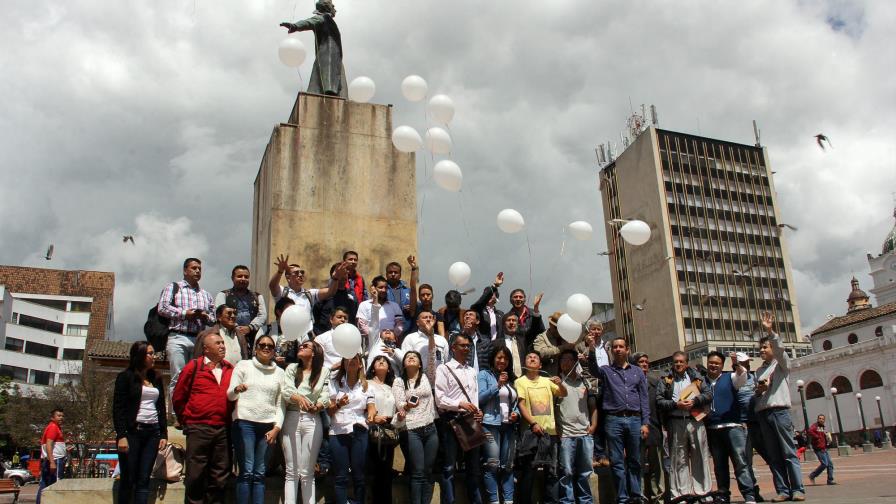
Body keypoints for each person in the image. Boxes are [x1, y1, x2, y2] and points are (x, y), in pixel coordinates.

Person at [734, 312, 805, 502]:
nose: (762, 350)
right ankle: (782, 490)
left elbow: (780, 349)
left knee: (788, 452)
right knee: (773, 455)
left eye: (765, 347)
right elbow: (757, 395)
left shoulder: (781, 364)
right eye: (760, 348)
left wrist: (769, 331)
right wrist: (759, 391)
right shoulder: (759, 370)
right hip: (763, 414)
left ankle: (798, 489)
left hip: (779, 411)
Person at [172, 333, 234, 504]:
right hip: (198, 428)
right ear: (206, 349)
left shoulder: (230, 369)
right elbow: (178, 396)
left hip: (222, 428)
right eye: (218, 343)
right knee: (195, 474)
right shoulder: (194, 367)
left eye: (223, 343)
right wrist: (187, 419)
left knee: (220, 474)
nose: (222, 346)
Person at [587, 337, 650, 504]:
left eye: (621, 346)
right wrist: (592, 349)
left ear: (627, 349)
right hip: (613, 420)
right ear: (612, 351)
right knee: (617, 462)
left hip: (635, 419)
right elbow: (593, 369)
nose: (618, 349)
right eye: (615, 347)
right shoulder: (606, 370)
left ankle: (636, 496)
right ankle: (622, 498)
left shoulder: (637, 371)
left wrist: (645, 422)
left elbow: (644, 398)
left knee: (635, 460)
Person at [227, 335, 285, 504]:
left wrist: (277, 428)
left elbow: (280, 404)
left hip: (268, 426)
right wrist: (237, 389)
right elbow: (230, 395)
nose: (266, 348)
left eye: (270, 346)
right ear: (256, 348)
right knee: (246, 472)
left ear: (274, 351)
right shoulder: (243, 365)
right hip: (245, 424)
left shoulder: (279, 373)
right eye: (262, 345)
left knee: (259, 473)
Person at [113, 341, 168, 504]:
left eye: (154, 353)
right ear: (139, 356)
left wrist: (163, 433)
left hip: (152, 433)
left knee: (144, 479)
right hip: (132, 433)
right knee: (128, 479)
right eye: (150, 353)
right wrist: (121, 434)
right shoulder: (125, 377)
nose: (154, 357)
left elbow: (161, 407)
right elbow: (118, 408)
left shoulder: (156, 379)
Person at [656, 351, 713, 501]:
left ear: (686, 363)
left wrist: (695, 401)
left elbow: (708, 395)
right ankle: (681, 494)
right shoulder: (666, 379)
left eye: (681, 361)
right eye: (676, 362)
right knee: (678, 458)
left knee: (700, 455)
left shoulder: (697, 377)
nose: (678, 364)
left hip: (695, 420)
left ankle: (703, 492)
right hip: (676, 420)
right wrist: (676, 404)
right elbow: (659, 400)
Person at [434, 332, 484, 504]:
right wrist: (459, 404)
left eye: (468, 346)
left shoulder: (471, 371)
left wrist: (478, 411)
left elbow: (475, 396)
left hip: (470, 420)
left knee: (474, 468)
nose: (466, 349)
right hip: (452, 420)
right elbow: (439, 399)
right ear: (453, 348)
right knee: (449, 467)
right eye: (462, 345)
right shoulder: (444, 368)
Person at [281, 340, 330, 504]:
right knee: (291, 471)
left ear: (314, 352)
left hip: (312, 419)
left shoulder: (323, 371)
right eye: (300, 345)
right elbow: (286, 389)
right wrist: (298, 397)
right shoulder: (291, 369)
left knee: (307, 471)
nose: (300, 347)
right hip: (292, 416)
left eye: (305, 346)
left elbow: (325, 394)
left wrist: (318, 405)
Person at [704, 351, 756, 504]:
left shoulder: (730, 377)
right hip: (713, 428)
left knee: (740, 461)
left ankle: (749, 494)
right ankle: (723, 494)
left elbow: (742, 376)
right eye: (711, 362)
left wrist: (737, 364)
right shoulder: (701, 382)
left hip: (732, 426)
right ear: (707, 363)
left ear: (722, 365)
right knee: (719, 465)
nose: (713, 365)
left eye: (717, 363)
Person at [158, 257, 215, 396]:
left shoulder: (206, 295)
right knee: (178, 377)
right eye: (194, 268)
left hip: (198, 340)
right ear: (185, 270)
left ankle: (192, 412)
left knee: (196, 378)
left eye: (199, 269)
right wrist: (185, 314)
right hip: (178, 336)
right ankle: (177, 415)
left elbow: (213, 319)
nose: (197, 271)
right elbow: (162, 308)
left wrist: (204, 316)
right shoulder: (173, 287)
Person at [515, 351, 567, 504]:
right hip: (531, 433)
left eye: (535, 357)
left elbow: (563, 394)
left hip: (550, 432)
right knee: (529, 471)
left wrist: (560, 383)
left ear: (540, 364)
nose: (532, 358)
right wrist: (533, 423)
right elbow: (521, 405)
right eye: (529, 357)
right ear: (525, 363)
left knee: (552, 471)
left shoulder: (547, 380)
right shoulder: (520, 381)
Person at [393, 351, 438, 504]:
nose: (411, 357)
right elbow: (400, 406)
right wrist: (407, 405)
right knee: (418, 472)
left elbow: (432, 359)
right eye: (407, 357)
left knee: (428, 471)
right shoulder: (399, 381)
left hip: (431, 428)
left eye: (415, 357)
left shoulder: (427, 377)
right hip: (412, 429)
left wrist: (431, 334)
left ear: (420, 363)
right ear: (404, 364)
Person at [268, 254, 346, 342]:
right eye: (296, 273)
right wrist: (280, 271)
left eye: (302, 272)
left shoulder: (309, 294)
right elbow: (272, 286)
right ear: (288, 277)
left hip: (305, 339)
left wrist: (335, 278)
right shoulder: (283, 292)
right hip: (286, 336)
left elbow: (330, 292)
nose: (300, 275)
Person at [478, 345, 520, 504]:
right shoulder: (484, 375)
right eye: (499, 357)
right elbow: (480, 398)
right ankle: (494, 501)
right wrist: (497, 385)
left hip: (509, 426)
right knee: (492, 464)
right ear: (493, 358)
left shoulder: (511, 378)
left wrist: (517, 414)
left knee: (508, 465)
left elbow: (516, 403)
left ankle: (508, 501)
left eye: (506, 358)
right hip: (490, 424)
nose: (502, 361)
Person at [556, 349, 597, 504]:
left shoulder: (585, 382)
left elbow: (593, 406)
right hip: (566, 435)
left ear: (575, 362)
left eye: (568, 359)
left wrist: (593, 425)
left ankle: (586, 501)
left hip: (585, 434)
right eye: (562, 360)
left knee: (585, 472)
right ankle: (568, 501)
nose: (564, 363)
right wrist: (559, 431)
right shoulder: (557, 382)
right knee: (566, 472)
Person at [328, 355, 370, 504]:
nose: (351, 361)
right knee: (341, 476)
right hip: (338, 431)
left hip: (359, 430)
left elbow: (371, 406)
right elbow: (329, 411)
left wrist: (371, 415)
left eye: (354, 359)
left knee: (359, 476)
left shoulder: (366, 385)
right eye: (347, 359)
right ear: (343, 364)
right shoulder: (334, 383)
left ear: (360, 364)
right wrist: (339, 404)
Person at [631, 352, 667, 504]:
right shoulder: (629, 384)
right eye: (641, 362)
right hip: (634, 428)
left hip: (654, 427)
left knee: (656, 465)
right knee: (637, 464)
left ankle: (658, 496)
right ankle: (639, 496)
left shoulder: (656, 382)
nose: (644, 364)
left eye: (646, 361)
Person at [366, 355, 397, 504]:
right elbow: (360, 406)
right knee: (374, 473)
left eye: (385, 360)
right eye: (378, 360)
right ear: (372, 367)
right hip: (371, 429)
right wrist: (373, 417)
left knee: (386, 473)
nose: (382, 361)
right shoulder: (366, 383)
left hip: (388, 431)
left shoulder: (393, 386)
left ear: (389, 368)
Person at [216, 265, 267, 352]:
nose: (243, 279)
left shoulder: (257, 296)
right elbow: (219, 314)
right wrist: (236, 328)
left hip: (253, 337)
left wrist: (250, 327)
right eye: (239, 276)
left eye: (246, 277)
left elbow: (263, 316)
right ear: (232, 278)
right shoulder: (223, 295)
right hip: (229, 336)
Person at [583, 318, 610, 468]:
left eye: (598, 329)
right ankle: (593, 454)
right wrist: (588, 347)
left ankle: (602, 454)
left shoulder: (608, 346)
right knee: (592, 421)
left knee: (604, 420)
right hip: (590, 387)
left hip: (607, 386)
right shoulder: (582, 346)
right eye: (593, 329)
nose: (596, 332)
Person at [401, 311, 450, 385]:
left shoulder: (441, 340)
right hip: (417, 382)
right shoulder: (410, 338)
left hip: (439, 382)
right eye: (425, 318)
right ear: (417, 322)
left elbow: (446, 360)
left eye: (430, 317)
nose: (428, 319)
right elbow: (405, 359)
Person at [533, 311, 587, 377]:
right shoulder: (541, 338)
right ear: (550, 324)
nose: (558, 330)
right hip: (549, 377)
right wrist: (563, 347)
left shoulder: (567, 337)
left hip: (568, 378)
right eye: (556, 328)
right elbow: (541, 353)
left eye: (561, 328)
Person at [357, 276, 404, 347]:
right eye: (381, 287)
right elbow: (362, 325)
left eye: (386, 288)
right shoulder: (364, 305)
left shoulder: (394, 305)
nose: (384, 290)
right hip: (371, 344)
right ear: (373, 288)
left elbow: (399, 325)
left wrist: (391, 336)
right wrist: (377, 336)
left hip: (391, 344)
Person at [36, 408, 66, 504]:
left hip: (54, 459)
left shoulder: (55, 427)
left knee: (45, 485)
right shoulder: (53, 427)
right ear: (52, 417)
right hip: (55, 460)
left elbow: (52, 444)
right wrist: (52, 462)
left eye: (62, 416)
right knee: (54, 485)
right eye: (59, 416)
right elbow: (49, 444)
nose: (61, 418)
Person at [470, 272, 505, 340]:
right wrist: (495, 285)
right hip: (484, 346)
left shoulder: (501, 314)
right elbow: (481, 302)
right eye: (486, 295)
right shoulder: (478, 310)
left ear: (496, 298)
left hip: (498, 346)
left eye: (491, 294)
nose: (488, 296)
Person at [385, 258, 414, 329]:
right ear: (386, 274)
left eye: (396, 272)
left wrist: (412, 307)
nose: (393, 274)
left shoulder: (407, 290)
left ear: (400, 275)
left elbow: (415, 306)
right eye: (390, 272)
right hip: (387, 329)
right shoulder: (382, 290)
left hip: (406, 328)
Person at [807, 415, 835, 485]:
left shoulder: (823, 427)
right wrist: (817, 436)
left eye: (822, 419)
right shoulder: (815, 426)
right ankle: (812, 475)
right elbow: (810, 431)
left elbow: (824, 436)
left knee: (830, 464)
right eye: (820, 418)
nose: (821, 420)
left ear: (824, 420)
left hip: (824, 448)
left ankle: (830, 480)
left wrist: (828, 438)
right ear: (817, 419)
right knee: (824, 464)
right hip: (818, 448)